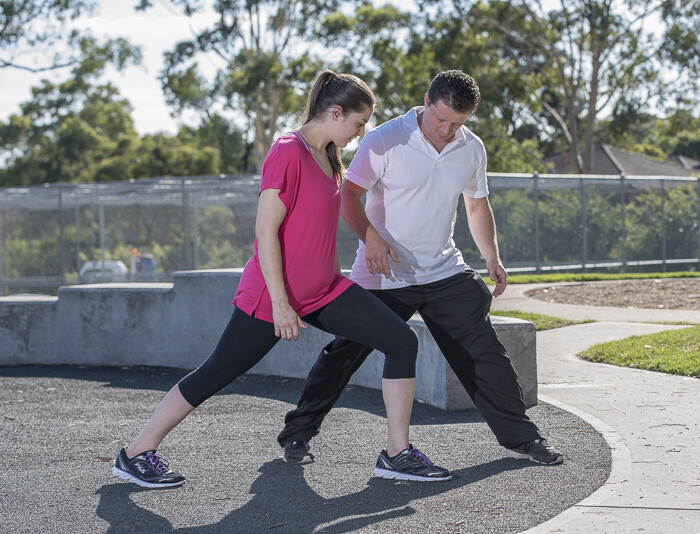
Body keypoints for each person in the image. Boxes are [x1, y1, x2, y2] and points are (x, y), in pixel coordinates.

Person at [112, 70, 452, 489]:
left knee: (402, 341)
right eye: (358, 124)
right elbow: (265, 232)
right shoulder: (286, 151)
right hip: (272, 296)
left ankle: (397, 454)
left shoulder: (328, 154)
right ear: (335, 111)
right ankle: (135, 453)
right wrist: (280, 303)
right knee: (216, 372)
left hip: (324, 289)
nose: (360, 134)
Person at [278, 70, 564, 467]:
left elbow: (477, 206)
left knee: (483, 350)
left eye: (457, 123)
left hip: (442, 270)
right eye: (440, 119)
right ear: (426, 100)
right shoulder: (384, 139)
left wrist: (492, 258)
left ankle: (523, 437)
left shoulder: (471, 148)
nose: (447, 130)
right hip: (383, 273)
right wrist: (371, 238)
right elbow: (350, 197)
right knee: (344, 355)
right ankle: (298, 434)